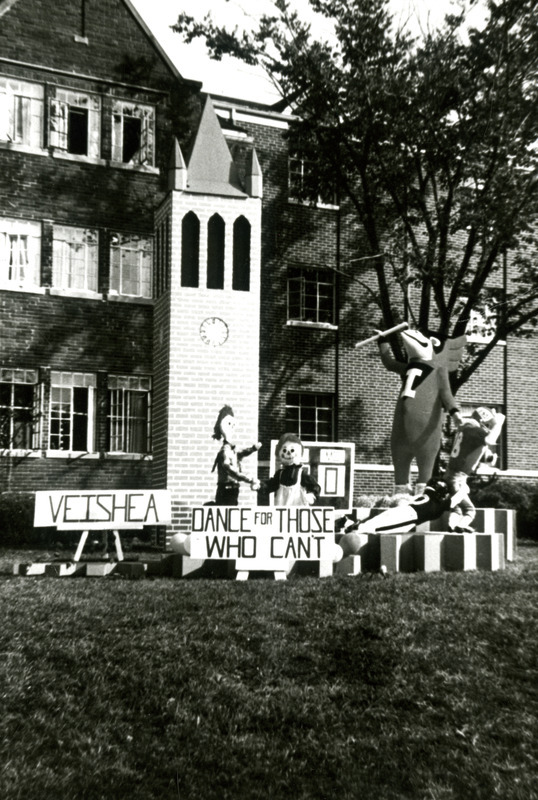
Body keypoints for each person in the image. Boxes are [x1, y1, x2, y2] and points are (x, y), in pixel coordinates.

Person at [444, 407, 504, 532]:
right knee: (469, 510)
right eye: (488, 424)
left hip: (450, 475)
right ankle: (461, 526)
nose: (488, 427)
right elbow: (490, 439)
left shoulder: (465, 428)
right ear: (482, 421)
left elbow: (473, 452)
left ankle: (451, 526)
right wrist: (499, 423)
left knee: (456, 507)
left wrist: (489, 458)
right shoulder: (475, 430)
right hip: (458, 479)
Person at [211, 405, 261, 506]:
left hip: (233, 490)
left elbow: (240, 453)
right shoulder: (225, 452)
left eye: (233, 424)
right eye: (229, 424)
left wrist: (252, 449)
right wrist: (249, 479)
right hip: (226, 491)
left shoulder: (231, 450)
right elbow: (231, 470)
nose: (232, 427)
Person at [264, 432, 320, 506]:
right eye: (284, 450)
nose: (288, 453)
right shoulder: (279, 475)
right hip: (281, 512)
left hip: (297, 514)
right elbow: (270, 486)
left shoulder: (301, 474)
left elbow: (314, 486)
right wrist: (259, 485)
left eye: (292, 450)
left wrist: (311, 495)